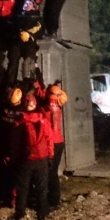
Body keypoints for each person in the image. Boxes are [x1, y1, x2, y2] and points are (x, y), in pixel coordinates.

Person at [7, 92, 54, 220]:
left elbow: (14, 144)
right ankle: (41, 216)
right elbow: (49, 139)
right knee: (41, 189)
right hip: (42, 158)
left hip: (25, 160)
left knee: (22, 189)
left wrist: (13, 158)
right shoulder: (43, 119)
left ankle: (20, 215)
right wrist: (50, 155)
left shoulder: (19, 121)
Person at [42, 81, 68, 209]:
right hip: (58, 142)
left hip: (51, 144)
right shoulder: (59, 104)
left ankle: (52, 199)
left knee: (49, 172)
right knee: (52, 172)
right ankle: (54, 199)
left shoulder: (48, 109)